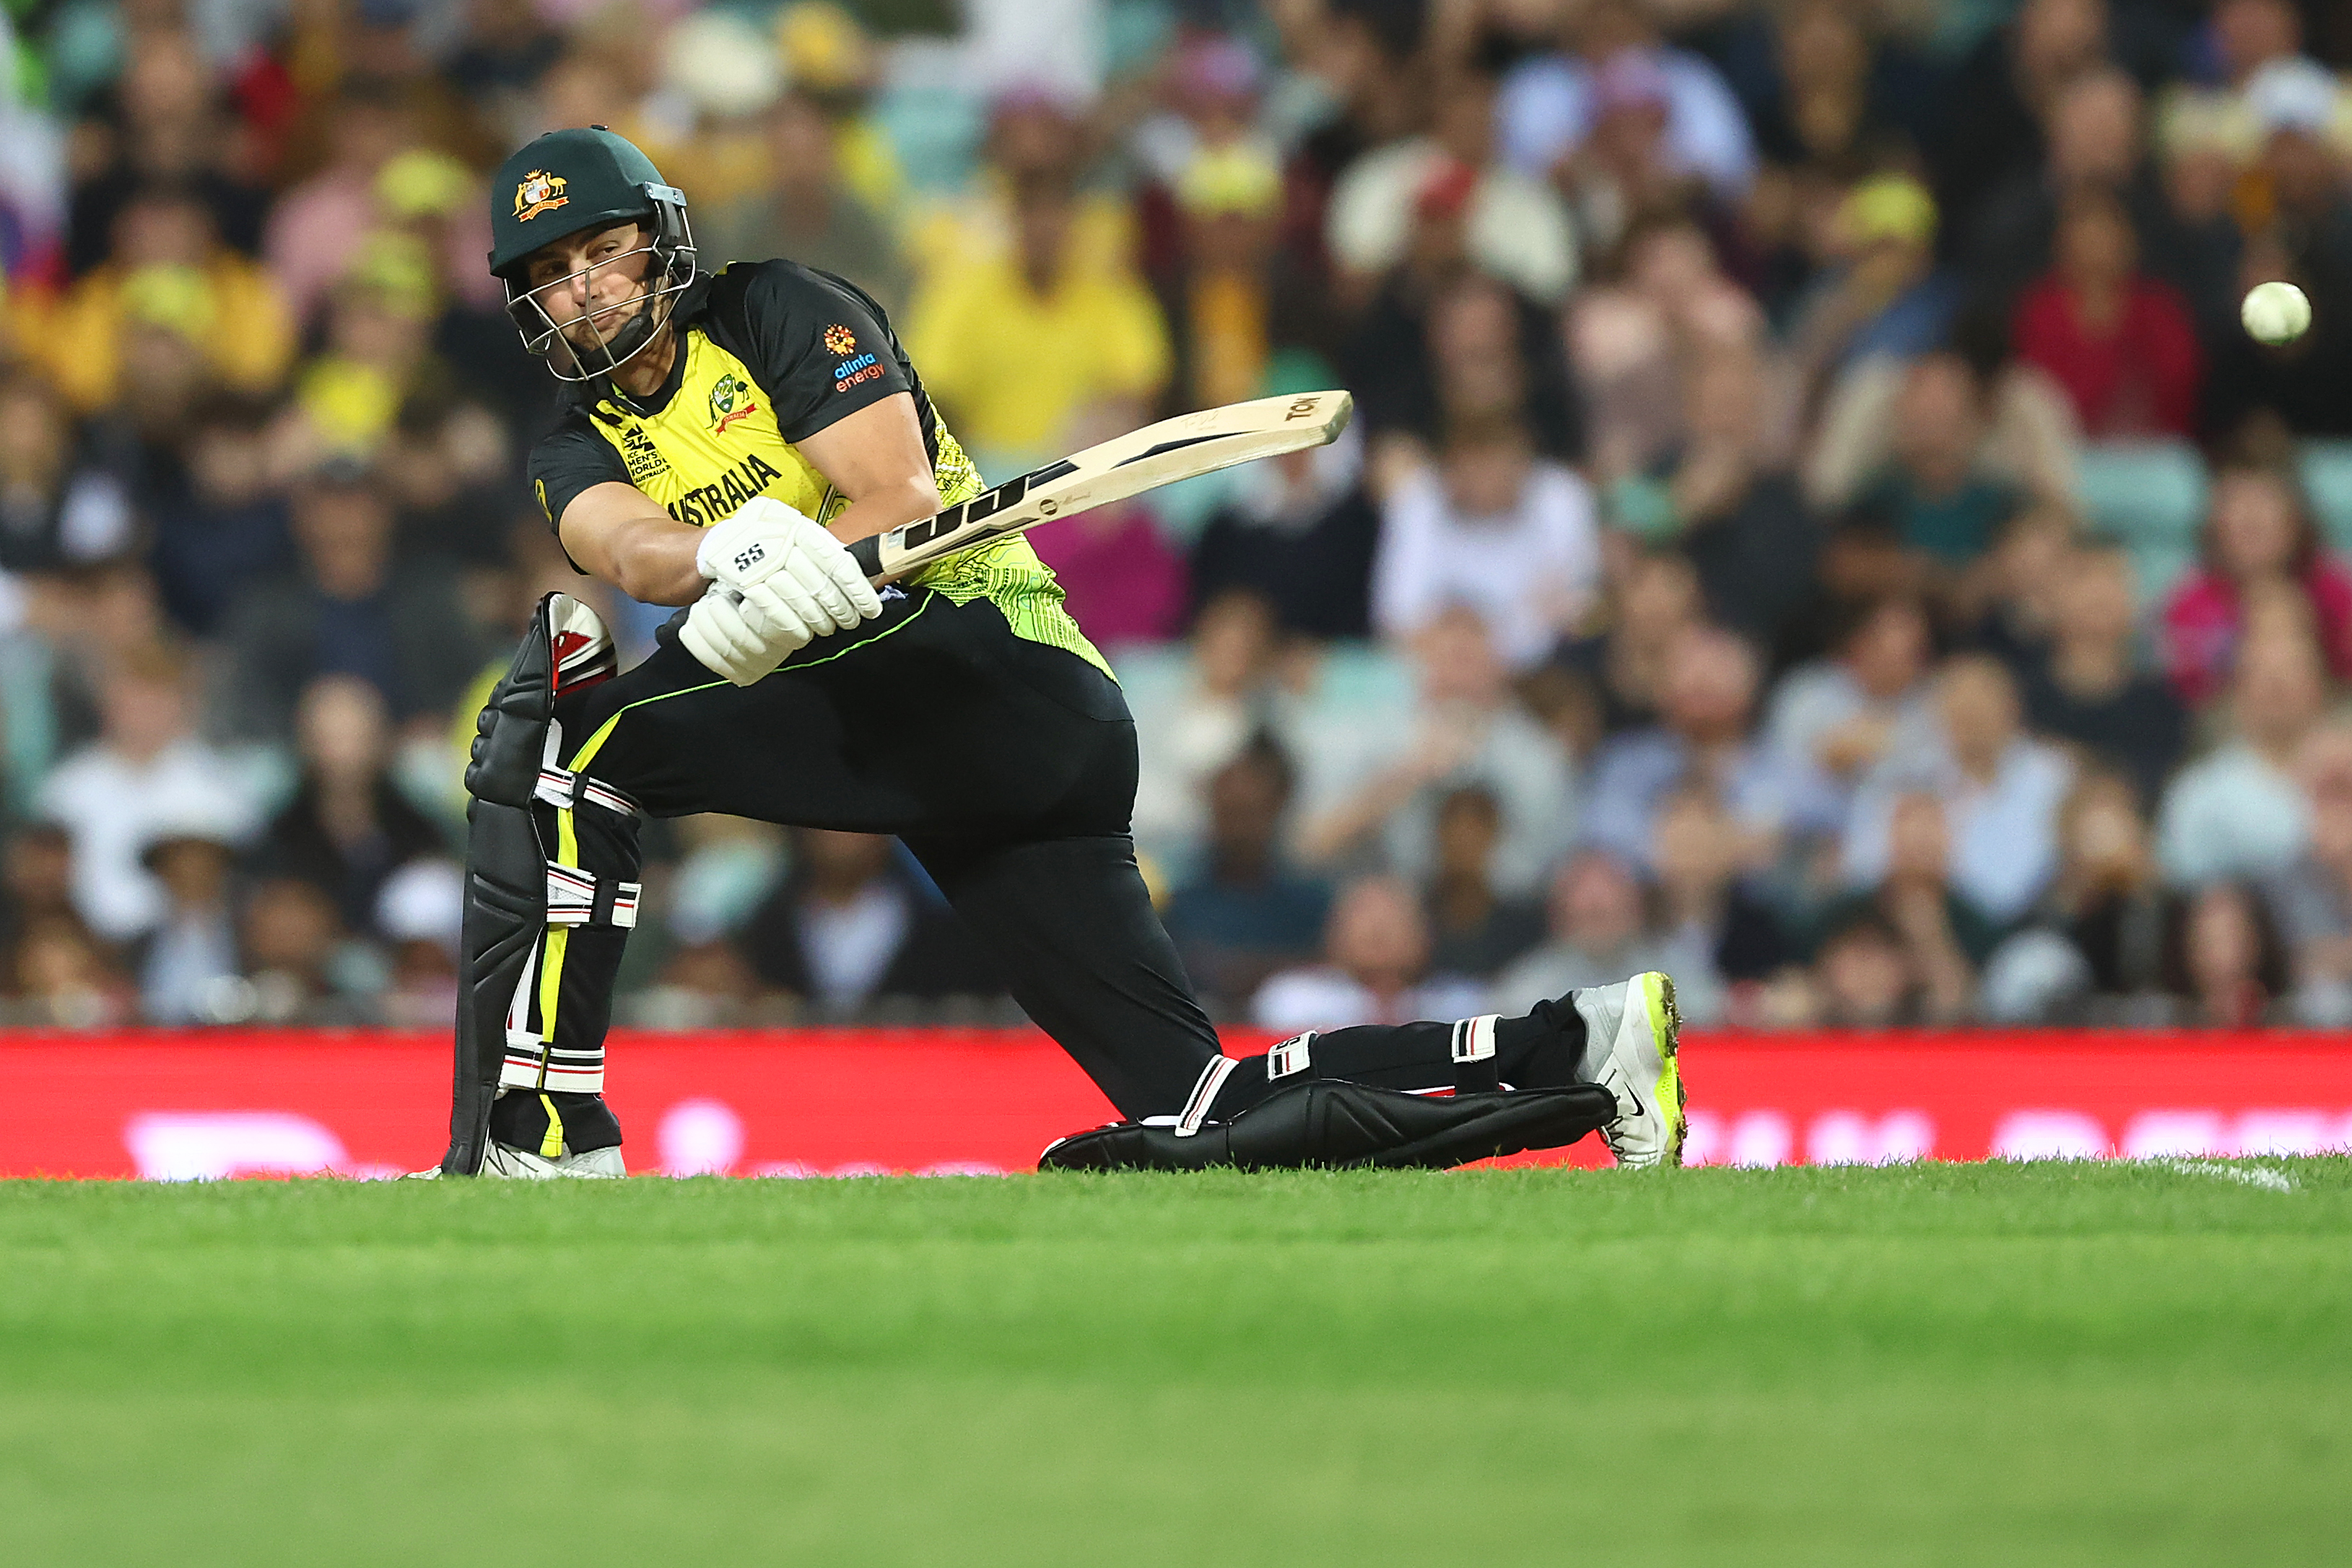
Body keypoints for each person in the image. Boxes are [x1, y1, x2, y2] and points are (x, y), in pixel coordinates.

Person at [433, 126, 1684, 1178]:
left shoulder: (774, 307)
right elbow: (634, 548)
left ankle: (546, 1136)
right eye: (553, 273)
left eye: (605, 251)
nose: (586, 287)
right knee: (1196, 1114)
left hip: (989, 668)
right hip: (915, 746)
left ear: (661, 241)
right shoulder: (565, 443)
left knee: (566, 742)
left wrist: (783, 573)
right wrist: (725, 563)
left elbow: (895, 497)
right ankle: (1582, 1046)